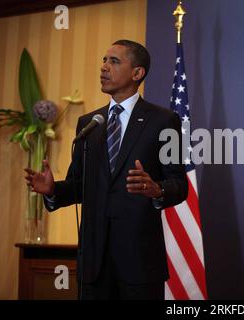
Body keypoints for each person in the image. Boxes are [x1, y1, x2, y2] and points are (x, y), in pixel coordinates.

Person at [25, 40, 188, 299]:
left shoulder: (164, 120)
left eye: (113, 61)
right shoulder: (90, 123)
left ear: (137, 73)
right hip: (94, 262)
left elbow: (179, 184)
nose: (103, 67)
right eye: (103, 60)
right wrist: (53, 189)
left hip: (139, 263)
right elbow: (79, 184)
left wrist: (157, 189)